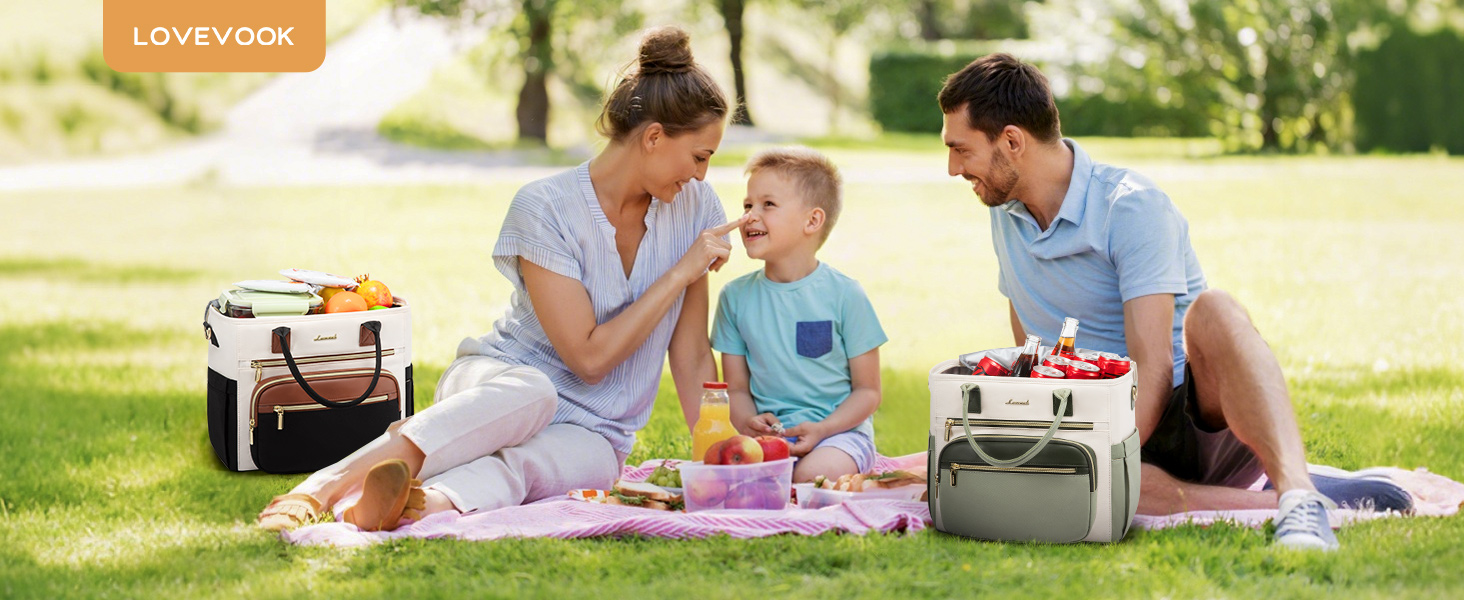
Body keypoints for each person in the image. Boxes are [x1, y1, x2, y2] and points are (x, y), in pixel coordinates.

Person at [256, 26, 750, 532]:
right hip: (500, 383)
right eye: (700, 157)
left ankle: (408, 507)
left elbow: (689, 355)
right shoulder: (545, 207)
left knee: (567, 464)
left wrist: (722, 455)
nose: (701, 176)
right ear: (652, 137)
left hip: (597, 428)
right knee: (535, 393)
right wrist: (679, 273)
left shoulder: (695, 209)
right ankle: (323, 486)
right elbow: (590, 358)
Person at [936, 53, 1409, 551]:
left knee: (1216, 310)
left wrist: (1101, 455)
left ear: (1012, 141)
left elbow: (1155, 366)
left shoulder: (1132, 206)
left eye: (960, 150)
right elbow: (1030, 332)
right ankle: (1302, 500)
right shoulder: (1002, 210)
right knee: (1115, 495)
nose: (952, 168)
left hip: (1182, 416)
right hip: (1089, 410)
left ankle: (1294, 488)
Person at [711, 147, 887, 484]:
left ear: (812, 220)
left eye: (768, 205)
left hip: (839, 435)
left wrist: (823, 429)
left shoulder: (846, 295)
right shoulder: (734, 298)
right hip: (767, 441)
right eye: (748, 205)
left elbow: (868, 392)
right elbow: (736, 391)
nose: (750, 216)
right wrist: (749, 422)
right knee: (725, 476)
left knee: (810, 476)